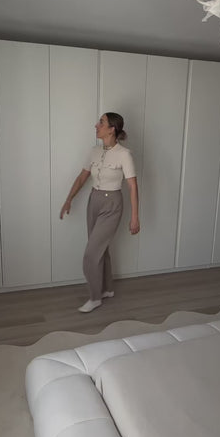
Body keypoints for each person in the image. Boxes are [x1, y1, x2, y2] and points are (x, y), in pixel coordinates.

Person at [60, 112, 140, 313]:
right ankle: (107, 289)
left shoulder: (124, 154)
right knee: (100, 249)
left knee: (91, 254)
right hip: (93, 201)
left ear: (112, 129)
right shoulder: (94, 151)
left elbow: (132, 186)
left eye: (101, 123)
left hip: (112, 204)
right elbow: (82, 177)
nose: (96, 125)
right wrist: (69, 199)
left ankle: (95, 297)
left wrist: (135, 217)